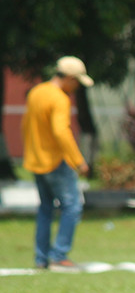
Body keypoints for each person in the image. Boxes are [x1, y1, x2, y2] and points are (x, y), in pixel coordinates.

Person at [22, 55, 93, 270]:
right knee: (72, 206)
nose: (77, 87)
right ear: (70, 78)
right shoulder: (60, 98)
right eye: (77, 82)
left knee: (45, 209)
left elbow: (26, 125)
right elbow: (61, 131)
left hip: (35, 161)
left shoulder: (37, 92)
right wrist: (78, 161)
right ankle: (60, 256)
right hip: (55, 161)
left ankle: (41, 258)